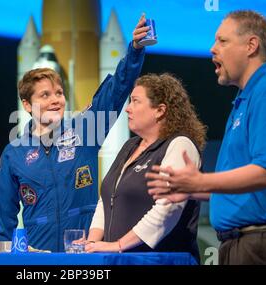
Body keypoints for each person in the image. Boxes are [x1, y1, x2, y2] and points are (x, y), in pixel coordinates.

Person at [0, 15, 150, 252]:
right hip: (39, 257)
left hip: (85, 252)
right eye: (45, 95)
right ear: (26, 104)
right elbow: (4, 220)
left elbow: (116, 90)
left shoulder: (85, 131)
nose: (56, 100)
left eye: (59, 93)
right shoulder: (13, 154)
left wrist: (135, 50)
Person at [146, 10, 266, 265]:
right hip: (241, 245)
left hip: (263, 246)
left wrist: (201, 182)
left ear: (251, 45)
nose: (212, 49)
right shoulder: (244, 99)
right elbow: (248, 190)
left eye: (222, 41)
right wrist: (194, 191)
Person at [84, 73, 206, 263]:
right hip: (119, 261)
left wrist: (118, 246)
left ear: (159, 110)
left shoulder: (179, 145)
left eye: (135, 101)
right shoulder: (129, 146)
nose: (128, 109)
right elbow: (106, 200)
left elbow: (167, 210)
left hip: (162, 260)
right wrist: (92, 243)